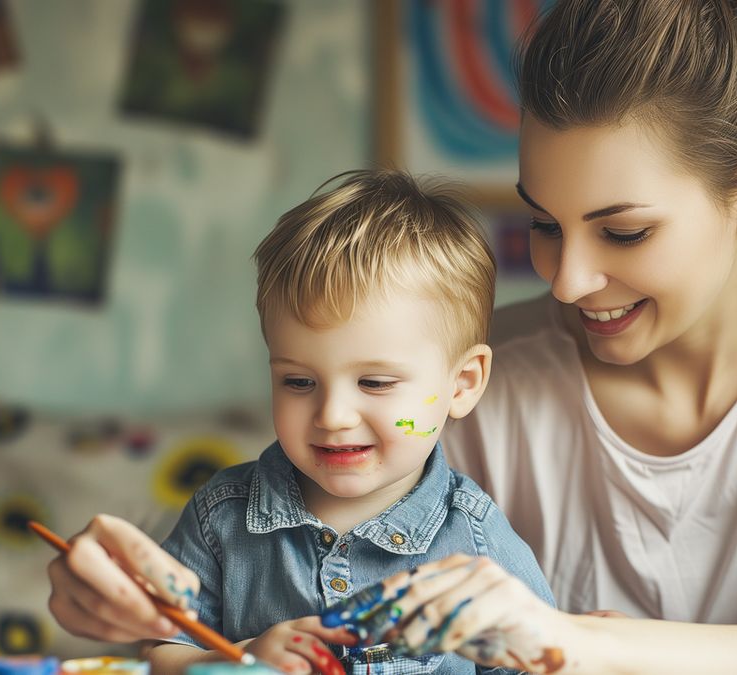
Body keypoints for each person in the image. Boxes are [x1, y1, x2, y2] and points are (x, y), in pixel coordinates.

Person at [46, 1, 737, 672]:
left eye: (624, 231)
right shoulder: (463, 381)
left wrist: (573, 637)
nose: (567, 280)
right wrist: (128, 595)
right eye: (545, 224)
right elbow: (267, 555)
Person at [105, 170, 553, 675]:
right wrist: (241, 661)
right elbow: (158, 652)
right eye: (299, 382)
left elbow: (546, 662)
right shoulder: (221, 521)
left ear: (463, 383)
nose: (333, 417)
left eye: (376, 383)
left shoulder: (477, 542)